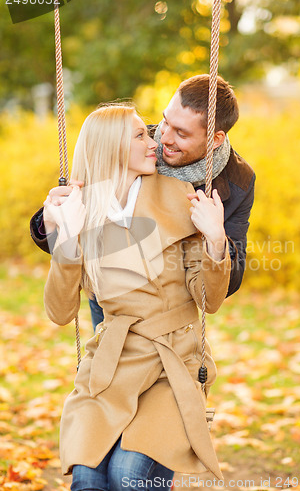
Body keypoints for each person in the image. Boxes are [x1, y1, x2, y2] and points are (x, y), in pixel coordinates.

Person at [43, 103, 231, 490]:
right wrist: (65, 240)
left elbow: (209, 301)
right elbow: (60, 313)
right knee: (88, 479)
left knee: (129, 477)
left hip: (171, 365)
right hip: (110, 366)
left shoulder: (180, 196)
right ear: (112, 147)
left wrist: (215, 239)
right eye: (140, 135)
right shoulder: (82, 209)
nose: (155, 142)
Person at [30, 74, 255, 330]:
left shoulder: (238, 182)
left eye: (181, 133)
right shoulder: (140, 143)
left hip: (171, 304)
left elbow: (228, 277)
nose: (162, 139)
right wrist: (46, 224)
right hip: (112, 295)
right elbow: (87, 198)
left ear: (215, 139)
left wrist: (215, 237)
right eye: (165, 121)